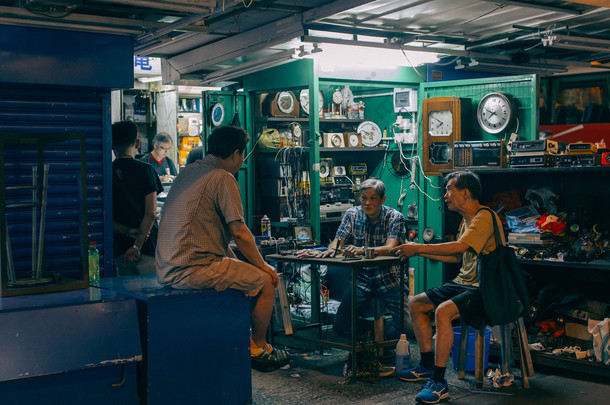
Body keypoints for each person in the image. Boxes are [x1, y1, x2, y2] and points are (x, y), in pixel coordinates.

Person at [155, 125, 288, 369]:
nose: (241, 161)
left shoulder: (189, 172)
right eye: (243, 155)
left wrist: (243, 263)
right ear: (236, 153)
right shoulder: (222, 178)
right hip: (192, 270)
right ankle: (258, 346)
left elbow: (212, 237)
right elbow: (240, 232)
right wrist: (263, 265)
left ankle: (243, 338)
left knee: (246, 273)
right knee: (267, 281)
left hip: (167, 268)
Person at [390, 170, 504, 404]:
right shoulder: (466, 220)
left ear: (465, 192)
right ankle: (427, 366)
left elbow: (460, 248)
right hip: (464, 283)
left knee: (443, 311)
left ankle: (440, 383)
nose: (445, 196)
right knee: (415, 304)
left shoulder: (484, 216)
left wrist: (418, 248)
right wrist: (418, 253)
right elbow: (457, 258)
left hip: (484, 288)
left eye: (449, 190)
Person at [318, 179, 411, 372]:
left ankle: (380, 343)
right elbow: (338, 240)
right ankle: (367, 339)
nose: (367, 203)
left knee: (407, 327)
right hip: (362, 279)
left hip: (390, 278)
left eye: (372, 199)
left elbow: (390, 247)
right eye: (363, 198)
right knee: (340, 325)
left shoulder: (395, 217)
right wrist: (331, 250)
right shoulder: (352, 214)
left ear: (382, 199)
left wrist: (362, 250)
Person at [112, 121, 163, 276]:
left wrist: (127, 231)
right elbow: (151, 213)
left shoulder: (107, 172)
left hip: (118, 248)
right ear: (138, 142)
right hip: (146, 249)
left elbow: (104, 216)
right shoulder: (146, 170)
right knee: (152, 295)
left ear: (112, 144)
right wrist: (137, 246)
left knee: (125, 295)